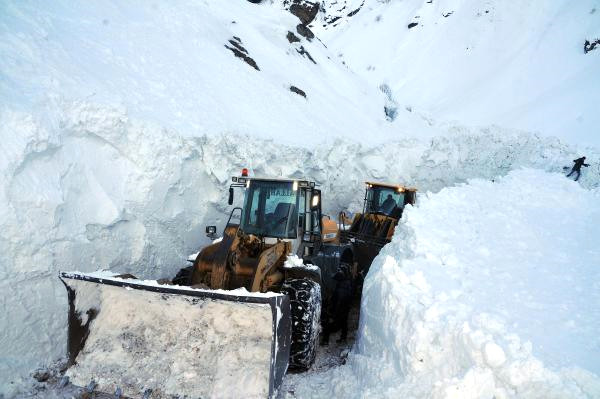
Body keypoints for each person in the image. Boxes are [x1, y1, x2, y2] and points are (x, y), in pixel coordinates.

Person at [321, 263, 353, 345]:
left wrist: (332, 314)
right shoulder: (348, 282)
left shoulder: (342, 287)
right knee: (344, 322)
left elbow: (338, 302)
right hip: (345, 309)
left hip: (338, 310)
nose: (338, 271)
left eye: (340, 270)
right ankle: (343, 337)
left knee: (327, 325)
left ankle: (325, 340)